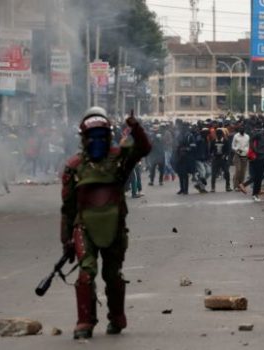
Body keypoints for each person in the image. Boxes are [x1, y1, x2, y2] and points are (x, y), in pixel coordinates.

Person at [60, 107, 151, 339]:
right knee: (86, 274)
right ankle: (84, 321)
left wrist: (135, 126)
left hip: (114, 226)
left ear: (109, 136)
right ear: (84, 139)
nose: (97, 141)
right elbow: (68, 208)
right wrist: (66, 241)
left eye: (102, 136)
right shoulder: (74, 166)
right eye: (93, 137)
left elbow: (144, 148)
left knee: (112, 275)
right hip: (84, 228)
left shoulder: (119, 159)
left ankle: (117, 318)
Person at [231, 125, 250, 190]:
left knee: (243, 171)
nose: (242, 130)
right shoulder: (236, 136)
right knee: (238, 170)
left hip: (245, 155)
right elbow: (233, 146)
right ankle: (236, 186)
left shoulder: (247, 136)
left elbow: (248, 145)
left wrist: (247, 152)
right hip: (237, 155)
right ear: (239, 130)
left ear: (244, 130)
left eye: (243, 129)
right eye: (240, 129)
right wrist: (237, 149)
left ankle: (241, 185)